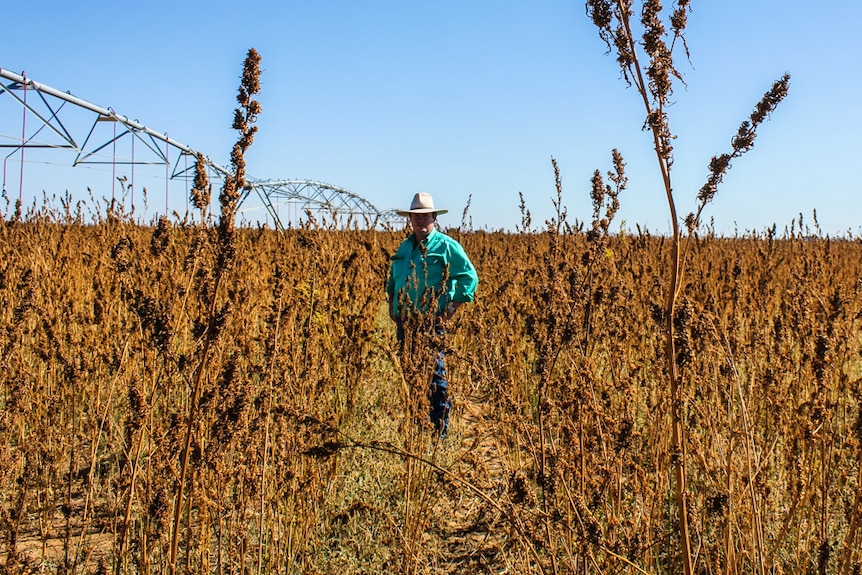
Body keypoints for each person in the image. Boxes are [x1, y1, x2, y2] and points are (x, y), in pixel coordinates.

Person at [387, 192, 478, 438]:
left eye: (425, 215)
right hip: (405, 323)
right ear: (410, 220)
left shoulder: (446, 246)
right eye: (416, 216)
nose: (420, 220)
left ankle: (439, 432)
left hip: (430, 323)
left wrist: (451, 308)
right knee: (411, 373)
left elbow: (470, 278)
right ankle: (420, 426)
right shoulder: (405, 246)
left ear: (434, 217)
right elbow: (393, 279)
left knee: (435, 377)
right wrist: (392, 304)